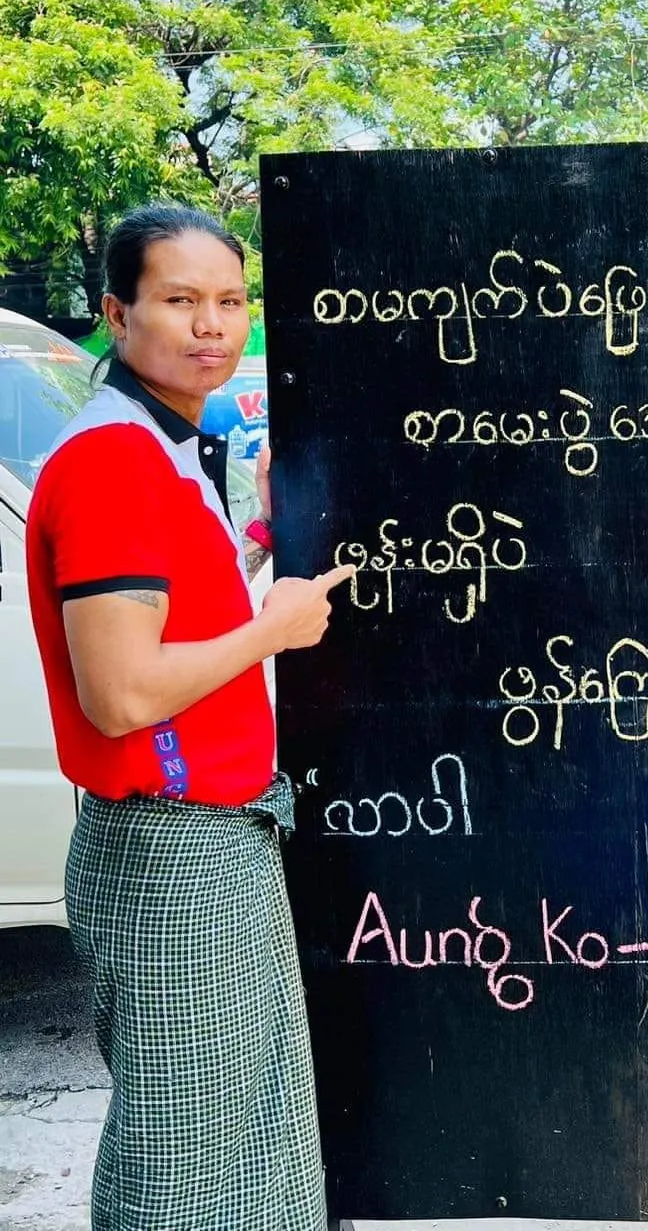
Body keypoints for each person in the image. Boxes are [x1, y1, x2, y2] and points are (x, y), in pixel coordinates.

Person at [26, 203, 351, 1231]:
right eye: (179, 300)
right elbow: (120, 693)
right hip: (171, 848)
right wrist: (276, 630)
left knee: (246, 1127)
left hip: (215, 834)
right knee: (186, 1152)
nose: (212, 325)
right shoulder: (114, 460)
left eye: (228, 301)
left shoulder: (169, 445)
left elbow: (178, 627)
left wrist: (255, 540)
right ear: (116, 316)